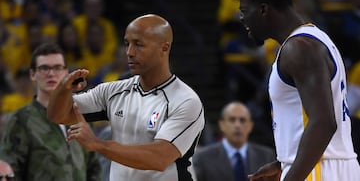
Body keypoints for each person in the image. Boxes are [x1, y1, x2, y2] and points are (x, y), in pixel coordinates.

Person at [47, 14, 205, 181]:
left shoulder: (186, 101)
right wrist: (63, 88)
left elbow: (159, 158)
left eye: (138, 44)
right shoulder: (113, 91)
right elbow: (57, 115)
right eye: (127, 44)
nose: (129, 52)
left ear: (164, 48)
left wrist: (98, 144)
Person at [238, 0, 360, 181]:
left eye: (244, 10)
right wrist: (284, 162)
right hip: (330, 166)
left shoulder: (300, 48)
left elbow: (323, 123)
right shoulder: (315, 39)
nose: (241, 18)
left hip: (320, 170)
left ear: (263, 10)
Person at [0, 43, 101, 181]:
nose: (51, 73)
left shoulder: (80, 117)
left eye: (57, 68)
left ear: (66, 73)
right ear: (33, 74)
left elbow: (94, 167)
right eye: (44, 68)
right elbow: (10, 171)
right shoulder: (20, 120)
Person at [193, 101, 275, 181]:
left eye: (242, 120)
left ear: (250, 126)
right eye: (232, 120)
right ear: (221, 125)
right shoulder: (202, 158)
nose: (237, 125)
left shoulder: (267, 156)